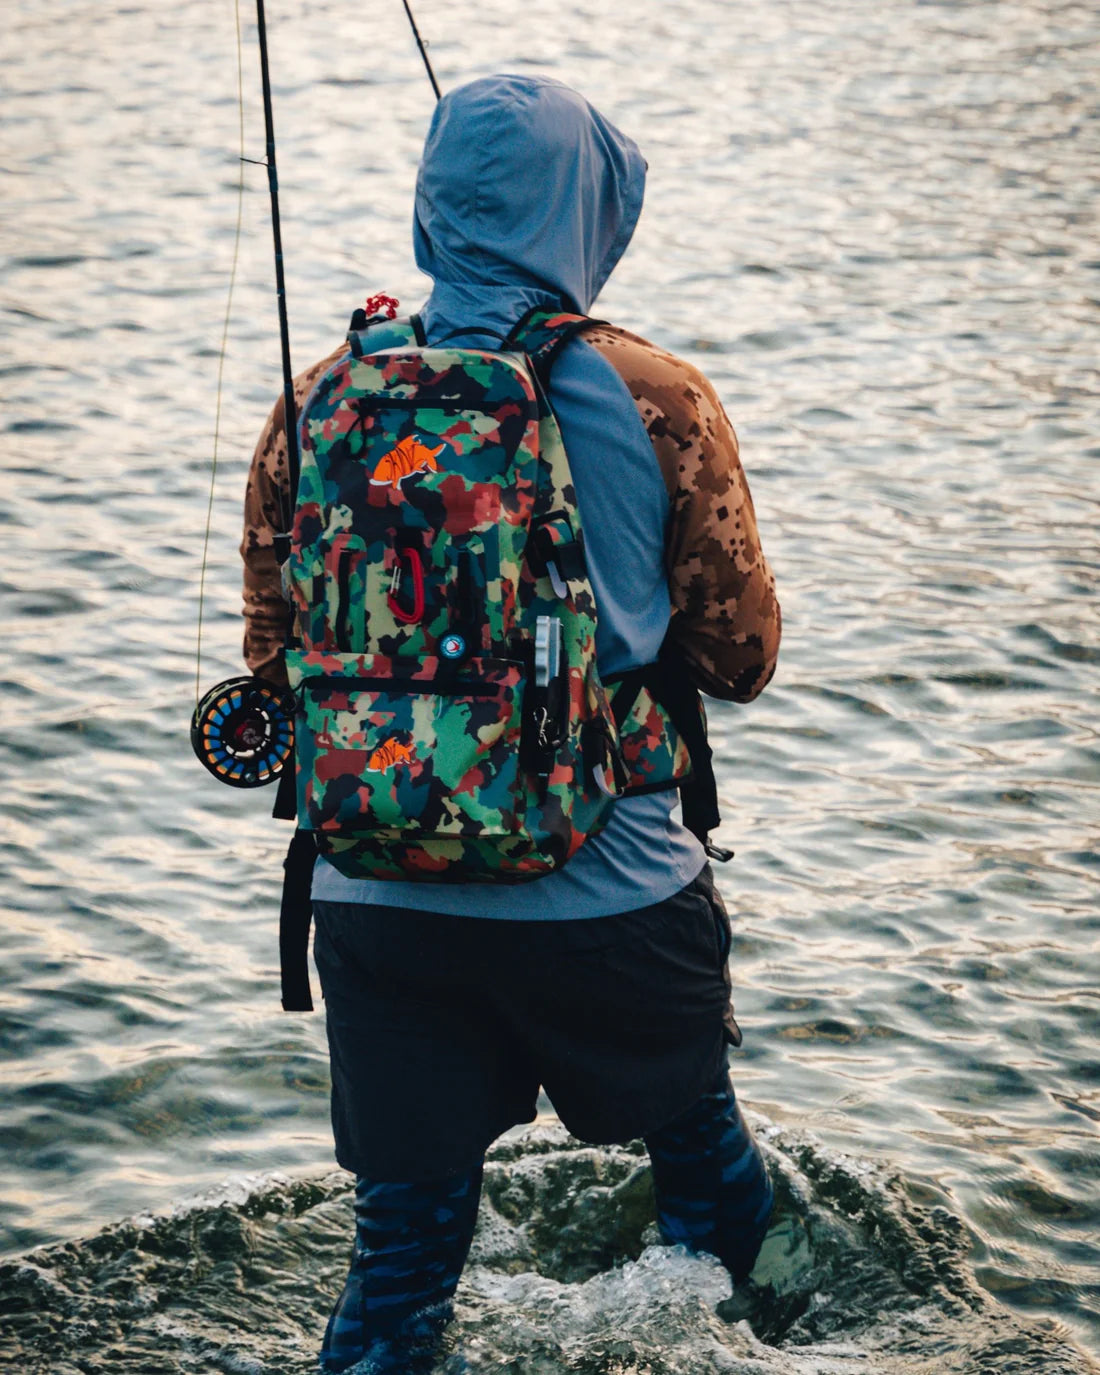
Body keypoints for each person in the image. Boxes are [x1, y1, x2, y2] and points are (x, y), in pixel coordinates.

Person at [241, 74, 781, 1375]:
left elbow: (274, 665)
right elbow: (743, 656)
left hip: (375, 909)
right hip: (611, 900)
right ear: (588, 205)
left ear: (438, 204)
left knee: (402, 1269)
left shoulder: (324, 399)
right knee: (714, 1196)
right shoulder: (658, 399)